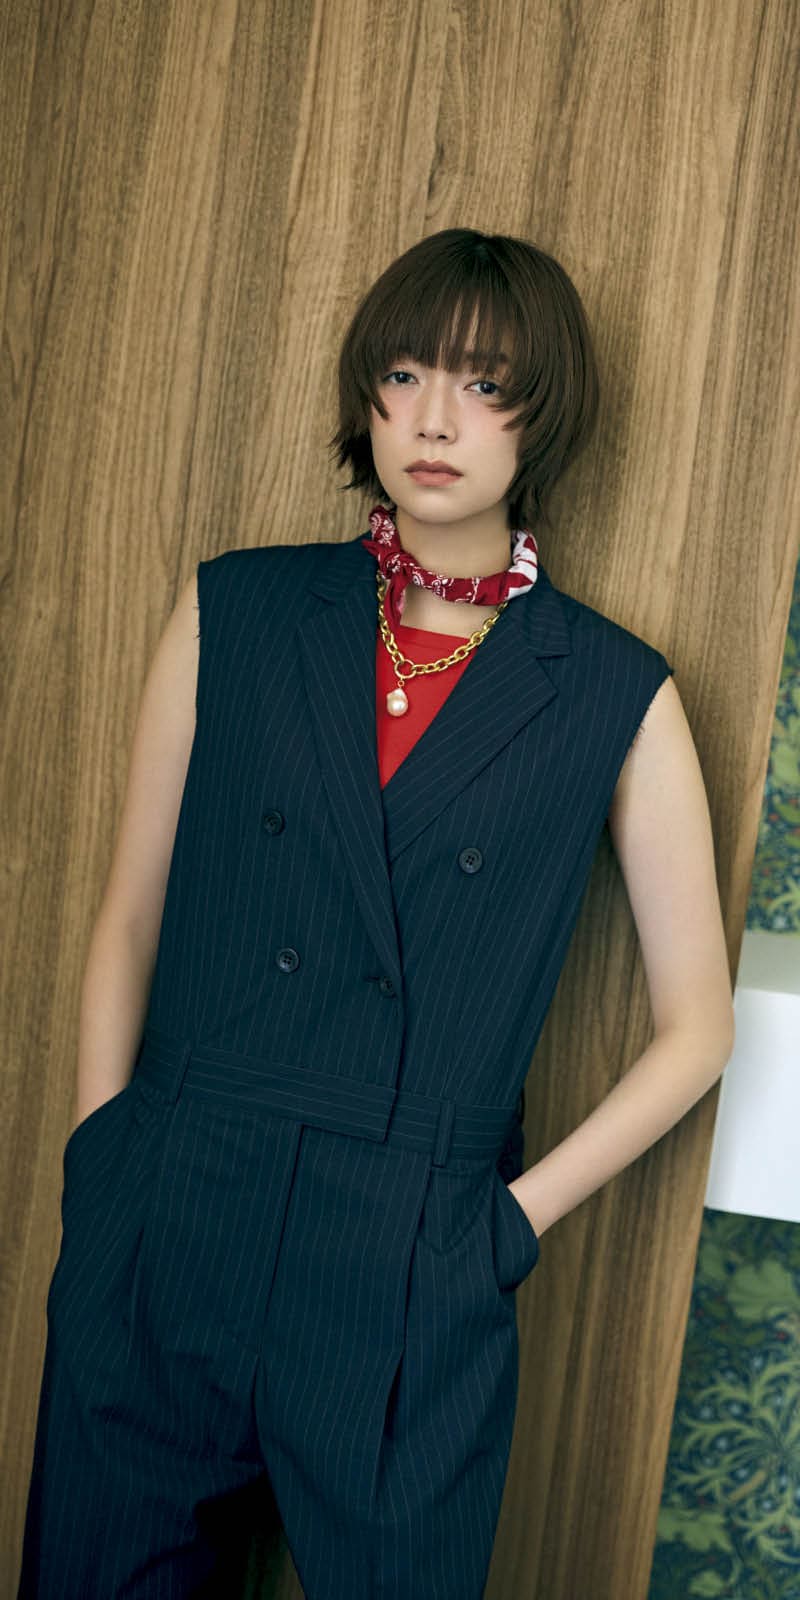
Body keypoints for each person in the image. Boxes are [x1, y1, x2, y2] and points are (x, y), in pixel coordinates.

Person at [18, 227, 735, 1599]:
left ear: (544, 414)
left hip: (412, 1242)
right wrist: (108, 1153)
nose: (434, 421)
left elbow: (696, 1026)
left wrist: (501, 1228)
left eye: (484, 383)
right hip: (173, 1196)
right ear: (366, 398)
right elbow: (130, 908)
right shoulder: (237, 608)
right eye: (403, 376)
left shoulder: (614, 691)